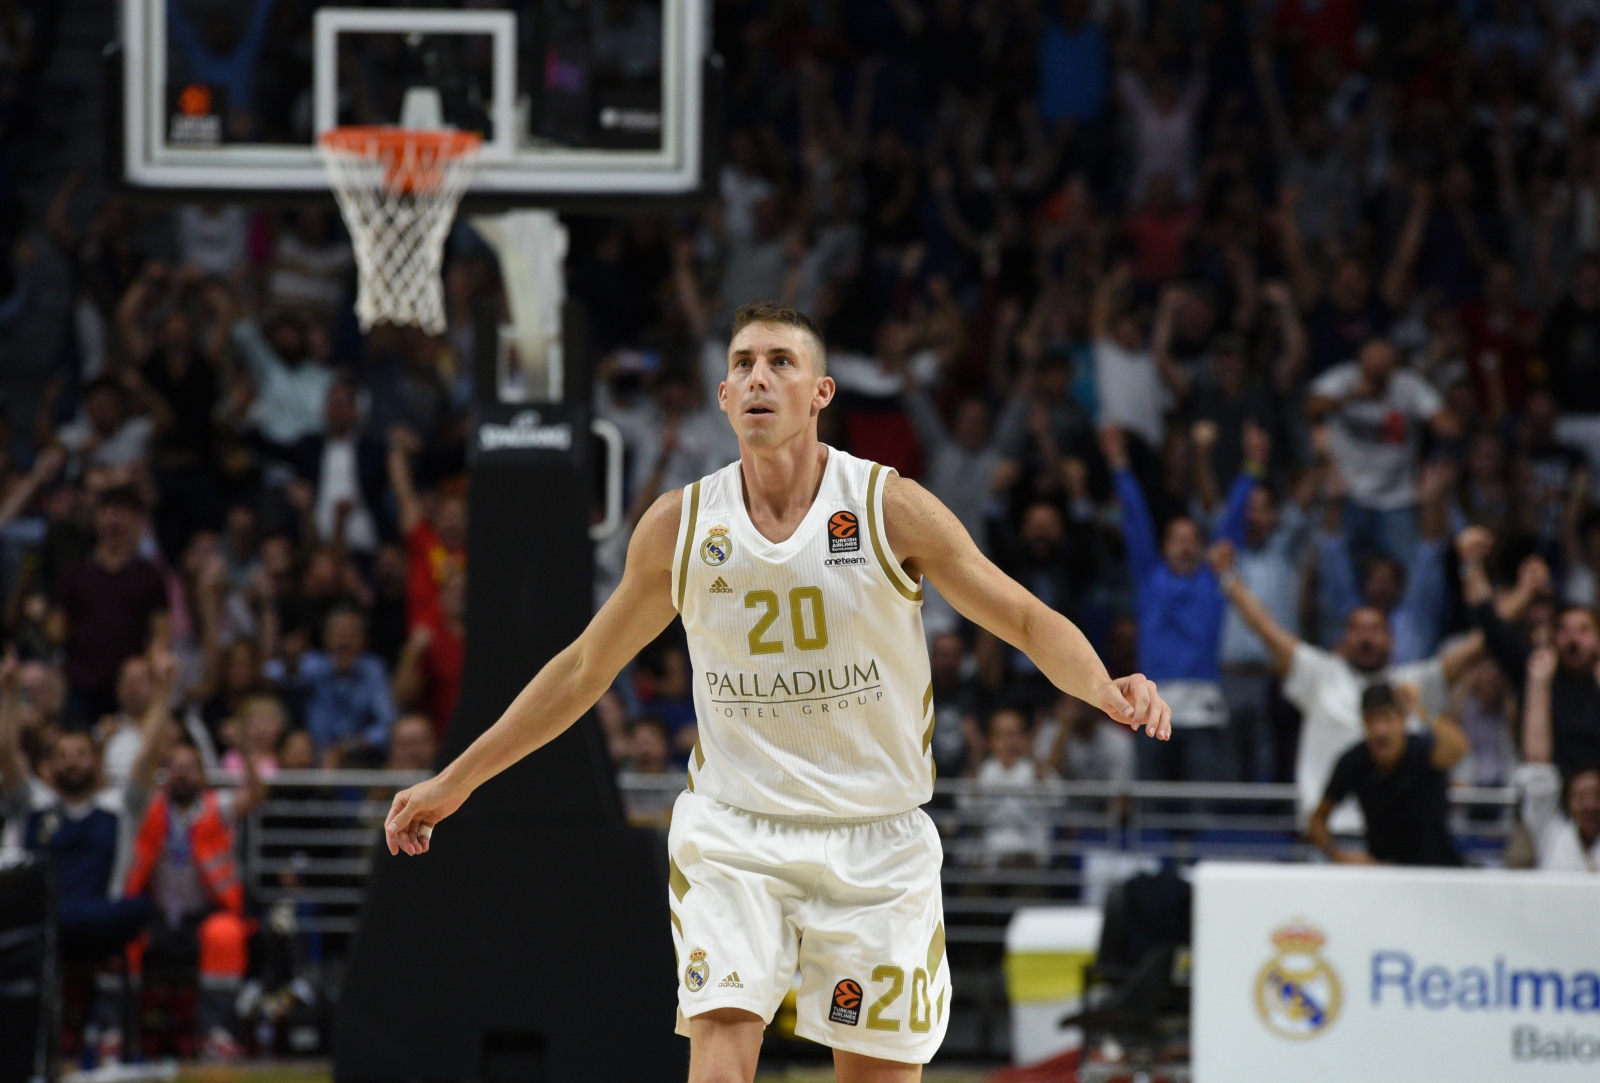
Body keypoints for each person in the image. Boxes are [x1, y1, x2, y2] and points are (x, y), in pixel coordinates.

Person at [382, 302, 1172, 1081]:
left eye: (781, 362)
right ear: (724, 397)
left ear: (821, 392)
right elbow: (586, 667)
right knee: (721, 1049)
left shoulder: (888, 508)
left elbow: (1025, 618)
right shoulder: (680, 526)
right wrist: (456, 779)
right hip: (736, 832)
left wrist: (1102, 684)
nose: (758, 377)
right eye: (743, 364)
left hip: (875, 835)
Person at [1212, 543, 1482, 832]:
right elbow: (1267, 630)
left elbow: (1480, 645)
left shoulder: (1411, 683)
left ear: (1392, 640)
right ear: (1344, 638)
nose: (1366, 638)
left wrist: (1477, 569)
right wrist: (1228, 577)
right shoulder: (1319, 674)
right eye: (1357, 629)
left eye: (1375, 630)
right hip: (1330, 835)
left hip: (1396, 839)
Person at [1100, 422, 1256, 781]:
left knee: (1202, 805)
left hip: (1203, 709)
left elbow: (1232, 524)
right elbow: (1136, 518)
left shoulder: (1213, 579)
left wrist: (1252, 470)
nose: (1185, 546)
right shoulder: (1149, 576)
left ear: (1201, 546)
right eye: (1177, 539)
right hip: (1152, 705)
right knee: (1151, 804)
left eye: (1191, 539)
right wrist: (1119, 465)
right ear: (1163, 546)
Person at [123, 736, 264, 1059]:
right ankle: (117, 1030)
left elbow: (257, 794)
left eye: (190, 767)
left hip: (203, 913)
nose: (182, 774)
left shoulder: (216, 808)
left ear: (203, 774)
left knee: (225, 934)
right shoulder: (149, 808)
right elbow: (139, 776)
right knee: (122, 933)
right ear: (164, 773)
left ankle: (216, 1032)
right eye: (175, 767)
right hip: (156, 913)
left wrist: (244, 748)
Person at [1308, 683, 1468, 866]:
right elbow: (1317, 821)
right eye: (1372, 720)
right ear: (1363, 723)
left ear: (1402, 720)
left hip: (1436, 868)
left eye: (1387, 718)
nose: (1380, 730)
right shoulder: (1355, 761)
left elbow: (1458, 747)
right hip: (1384, 870)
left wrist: (1421, 709)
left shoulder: (1423, 752)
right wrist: (1338, 855)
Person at [50, 484, 169, 725]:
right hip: (80, 682)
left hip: (129, 687)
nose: (114, 520)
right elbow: (56, 630)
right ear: (96, 520)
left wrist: (149, 667)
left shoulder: (149, 577)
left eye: (122, 513)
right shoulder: (74, 574)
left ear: (136, 522)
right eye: (107, 512)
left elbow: (161, 632)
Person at [1516, 646, 1600, 872]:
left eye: (1597, 795)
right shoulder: (1551, 831)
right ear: (1568, 802)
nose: (1590, 806)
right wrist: (1539, 683)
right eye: (1580, 797)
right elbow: (1538, 767)